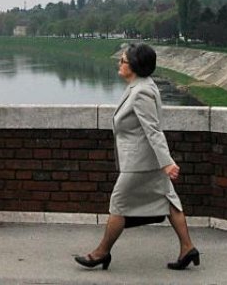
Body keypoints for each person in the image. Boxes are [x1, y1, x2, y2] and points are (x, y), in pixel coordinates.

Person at [74, 43, 200, 271]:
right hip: (146, 161)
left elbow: (153, 130)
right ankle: (187, 247)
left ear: (134, 66)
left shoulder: (141, 91)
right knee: (170, 201)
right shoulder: (140, 86)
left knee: (119, 204)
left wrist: (167, 163)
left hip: (141, 163)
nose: (119, 64)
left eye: (122, 60)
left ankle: (101, 253)